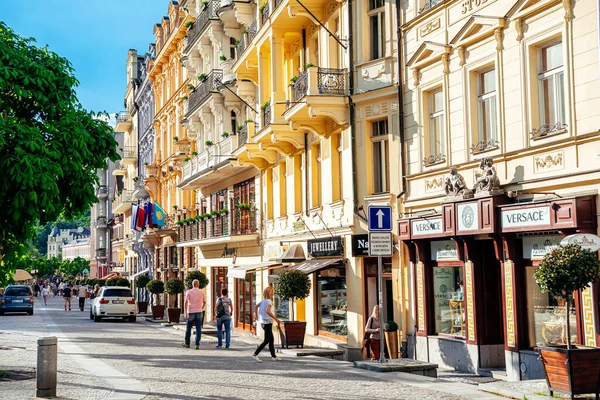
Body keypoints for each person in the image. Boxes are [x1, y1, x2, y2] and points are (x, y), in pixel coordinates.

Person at [251, 286, 281, 362]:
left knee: (271, 340)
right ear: (270, 293)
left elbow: (255, 307)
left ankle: (274, 356)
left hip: (263, 322)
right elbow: (268, 311)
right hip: (267, 322)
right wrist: (276, 319)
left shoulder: (263, 301)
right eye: (272, 292)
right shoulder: (269, 302)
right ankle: (255, 354)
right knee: (267, 340)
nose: (273, 293)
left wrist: (257, 316)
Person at [182, 279, 206, 350]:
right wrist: (201, 308)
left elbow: (185, 302)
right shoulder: (201, 292)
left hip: (191, 311)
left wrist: (185, 312)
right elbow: (204, 302)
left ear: (192, 285)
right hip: (199, 311)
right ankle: (197, 344)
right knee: (198, 328)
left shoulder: (189, 292)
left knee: (188, 328)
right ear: (198, 285)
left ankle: (187, 343)